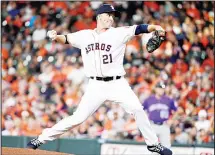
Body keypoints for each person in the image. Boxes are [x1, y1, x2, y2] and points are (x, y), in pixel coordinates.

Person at [27, 4, 172, 155]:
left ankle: (153, 144)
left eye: (112, 15)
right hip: (95, 85)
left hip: (117, 83)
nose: (111, 18)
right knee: (77, 118)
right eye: (108, 14)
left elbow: (139, 28)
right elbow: (67, 38)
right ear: (99, 17)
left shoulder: (118, 33)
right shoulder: (84, 35)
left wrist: (155, 27)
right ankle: (40, 139)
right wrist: (56, 36)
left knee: (137, 109)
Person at [143, 81, 177, 148]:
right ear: (155, 89)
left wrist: (172, 120)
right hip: (152, 125)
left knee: (166, 147)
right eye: (159, 88)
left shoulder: (169, 100)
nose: (161, 90)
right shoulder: (149, 99)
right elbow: (141, 110)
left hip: (164, 125)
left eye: (162, 88)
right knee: (152, 148)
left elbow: (176, 111)